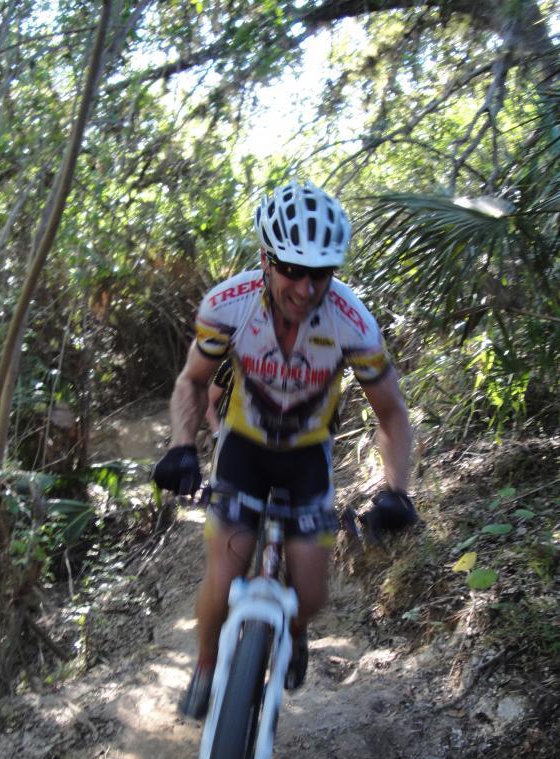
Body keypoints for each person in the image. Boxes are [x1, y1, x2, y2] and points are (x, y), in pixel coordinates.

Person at [153, 179, 417, 719]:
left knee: (313, 589)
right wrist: (183, 447)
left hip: (306, 458)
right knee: (224, 575)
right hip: (243, 448)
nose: (304, 287)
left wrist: (397, 490)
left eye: (319, 272)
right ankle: (205, 664)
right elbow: (192, 381)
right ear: (265, 260)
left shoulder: (353, 323)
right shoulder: (227, 305)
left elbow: (391, 411)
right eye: (291, 269)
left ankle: (293, 631)